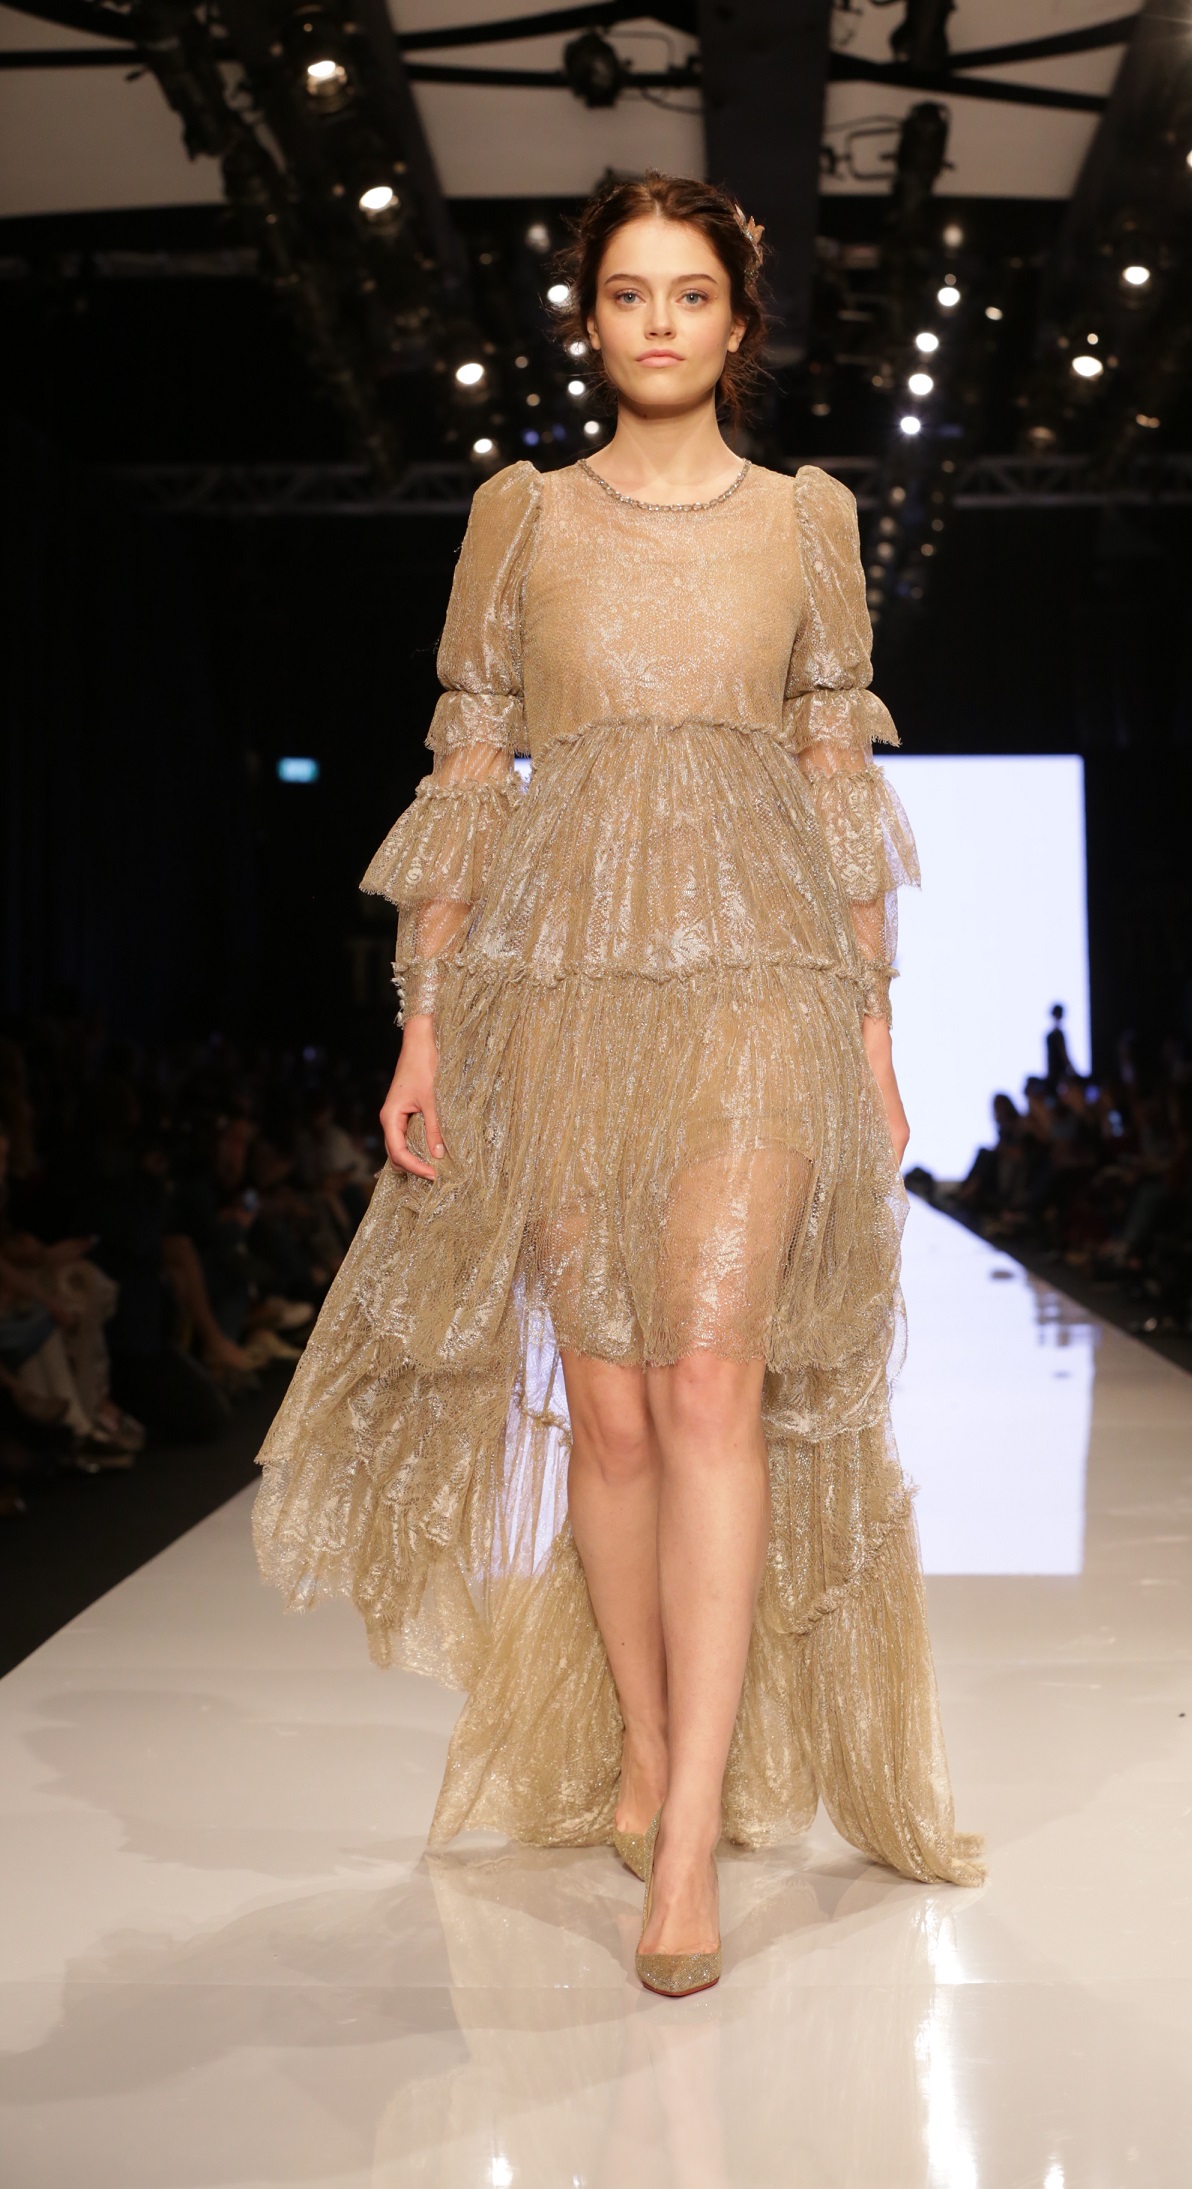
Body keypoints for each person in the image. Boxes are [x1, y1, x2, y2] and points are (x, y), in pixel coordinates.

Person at [253, 170, 981, 1999]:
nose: (659, 321)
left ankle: (689, 1830)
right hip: (557, 991)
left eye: (691, 294)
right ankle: (651, 1747)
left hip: (759, 987)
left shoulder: (809, 519)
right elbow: (468, 764)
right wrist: (424, 1021)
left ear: (741, 322)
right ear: (591, 320)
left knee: (715, 1378)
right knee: (617, 1408)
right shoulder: (524, 516)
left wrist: (876, 1032)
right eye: (629, 293)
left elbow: (835, 775)